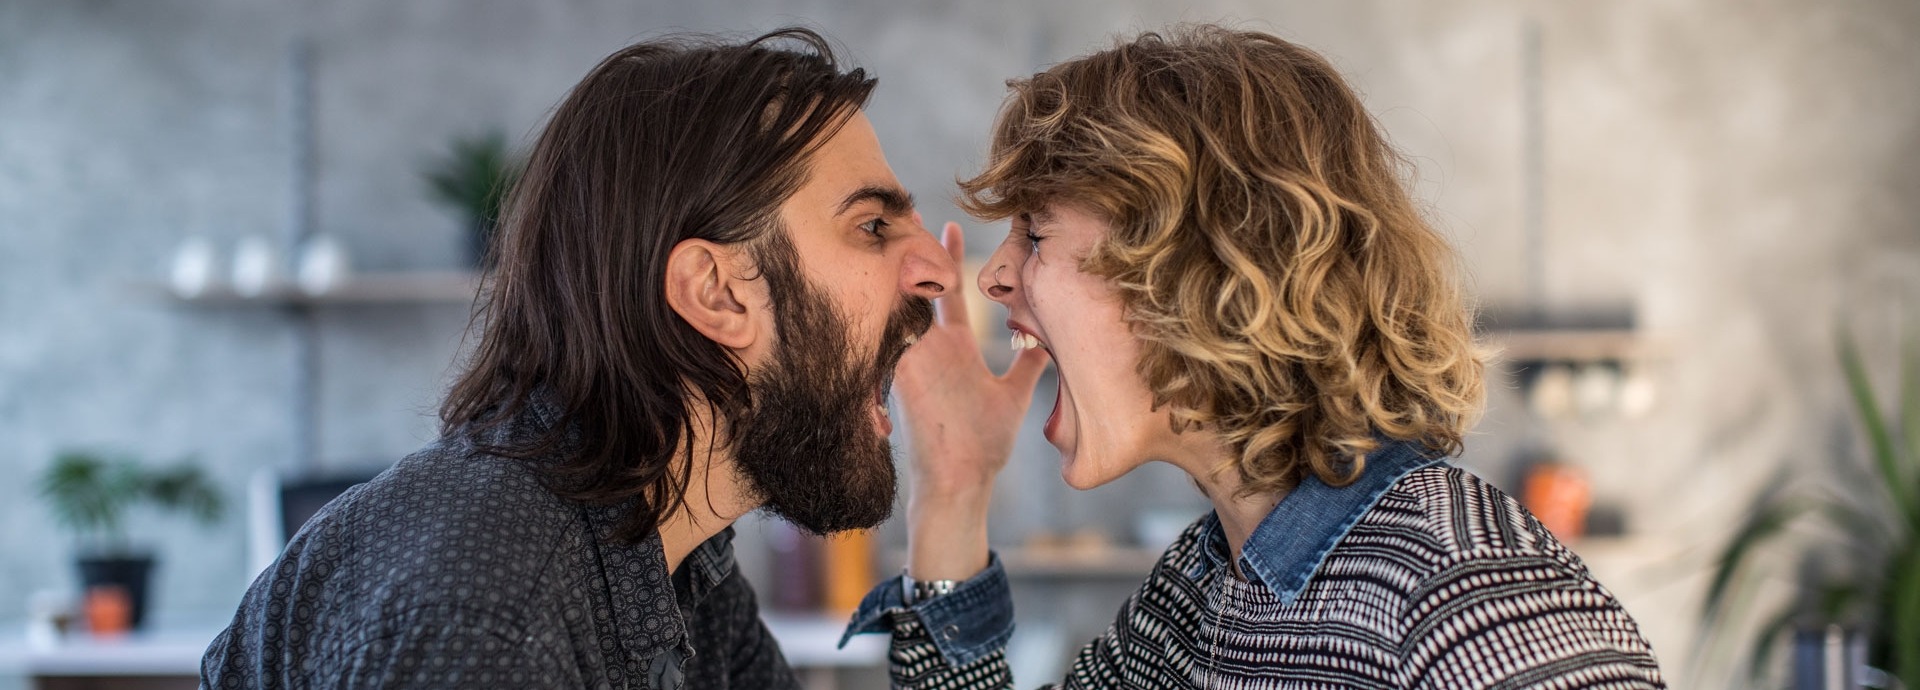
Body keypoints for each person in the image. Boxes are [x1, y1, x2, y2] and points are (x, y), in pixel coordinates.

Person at [842, 26, 1667, 689]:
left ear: (1200, 265)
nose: (993, 275)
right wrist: (953, 490)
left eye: (1035, 232)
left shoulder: (1468, 609)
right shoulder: (1200, 593)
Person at [202, 28, 955, 689]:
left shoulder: (677, 552)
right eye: (872, 225)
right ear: (717, 293)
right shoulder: (485, 619)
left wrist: (958, 491)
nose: (939, 269)